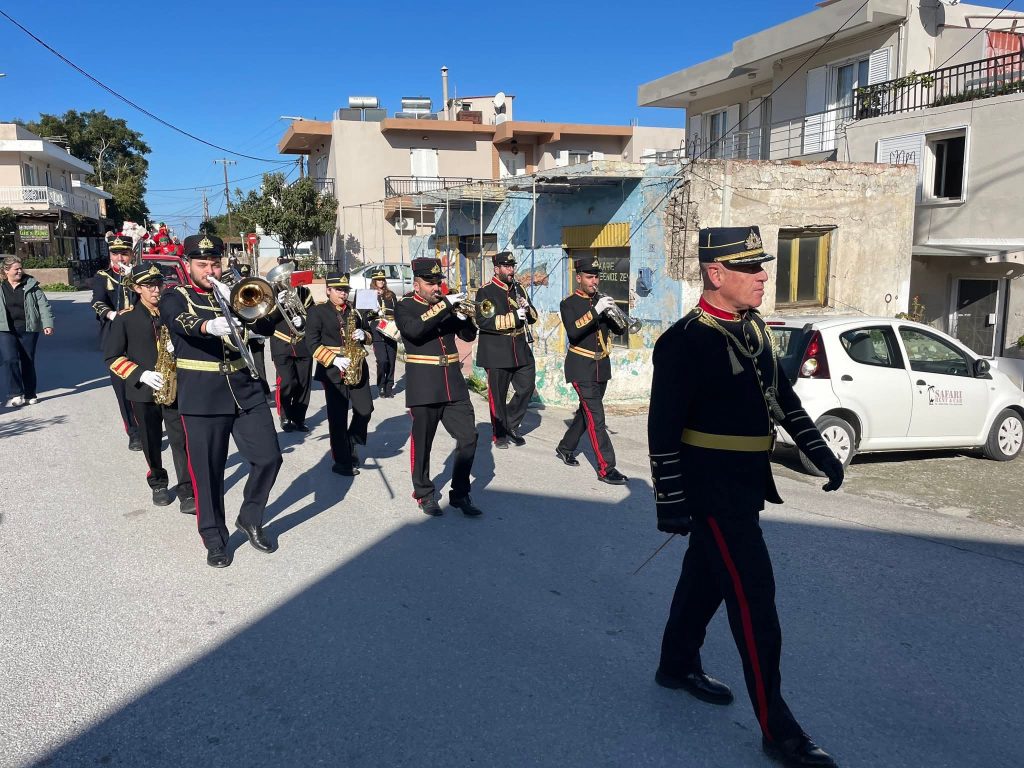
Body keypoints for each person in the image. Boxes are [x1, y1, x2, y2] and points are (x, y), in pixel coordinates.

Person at [648, 226, 844, 768]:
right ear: (716, 273)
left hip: (746, 481)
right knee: (755, 600)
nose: (763, 277)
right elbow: (662, 428)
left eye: (763, 266)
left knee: (706, 577)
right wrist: (671, 501)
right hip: (710, 488)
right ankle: (778, 731)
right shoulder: (684, 341)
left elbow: (782, 396)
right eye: (751, 268)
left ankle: (676, 664)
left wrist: (819, 451)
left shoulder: (753, 327)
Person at [160, 234, 282, 568]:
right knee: (208, 473)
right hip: (202, 395)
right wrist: (208, 326)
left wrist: (270, 312)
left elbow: (265, 325)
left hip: (244, 388)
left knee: (269, 458)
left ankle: (250, 517)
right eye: (202, 265)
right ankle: (214, 538)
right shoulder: (175, 295)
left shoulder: (231, 292)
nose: (210, 271)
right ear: (188, 265)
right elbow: (178, 321)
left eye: (214, 264)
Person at [103, 264, 194, 513]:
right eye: (150, 286)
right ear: (136, 288)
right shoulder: (125, 318)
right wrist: (140, 374)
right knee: (151, 441)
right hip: (143, 389)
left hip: (173, 386)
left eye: (158, 284)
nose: (156, 290)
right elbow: (112, 357)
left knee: (180, 440)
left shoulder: (171, 312)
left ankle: (187, 490)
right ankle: (158, 482)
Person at [394, 257, 481, 517]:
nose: (436, 287)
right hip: (424, 383)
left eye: (438, 282)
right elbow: (415, 331)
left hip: (453, 382)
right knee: (423, 443)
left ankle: (460, 493)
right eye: (430, 283)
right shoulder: (405, 306)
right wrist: (444, 306)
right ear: (416, 284)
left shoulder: (445, 305)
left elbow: (468, 336)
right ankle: (424, 493)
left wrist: (465, 318)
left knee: (468, 437)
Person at [554, 257, 628, 484]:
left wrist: (614, 313)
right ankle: (606, 468)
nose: (594, 281)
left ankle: (565, 447)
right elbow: (574, 332)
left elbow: (619, 329)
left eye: (596, 277)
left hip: (601, 367)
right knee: (597, 417)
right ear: (579, 278)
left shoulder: (600, 301)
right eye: (589, 277)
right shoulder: (568, 304)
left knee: (586, 414)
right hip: (580, 366)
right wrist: (596, 311)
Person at [306, 272, 374, 475]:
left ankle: (351, 439)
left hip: (357, 365)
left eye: (345, 290)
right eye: (339, 290)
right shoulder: (317, 312)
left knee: (365, 409)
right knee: (337, 417)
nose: (343, 294)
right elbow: (311, 343)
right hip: (333, 369)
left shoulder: (355, 311)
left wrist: (364, 335)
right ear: (328, 290)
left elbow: (370, 335)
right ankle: (342, 462)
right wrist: (333, 359)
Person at [474, 251, 537, 449]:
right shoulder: (486, 291)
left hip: (520, 346)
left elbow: (533, 316)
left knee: (527, 387)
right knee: (498, 395)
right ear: (497, 269)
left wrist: (527, 309)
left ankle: (510, 423)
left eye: (512, 266)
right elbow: (483, 321)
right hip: (496, 348)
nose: (511, 270)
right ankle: (499, 433)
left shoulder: (519, 288)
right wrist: (513, 318)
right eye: (507, 267)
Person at [91, 234, 141, 450]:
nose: (120, 258)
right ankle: (134, 432)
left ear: (132, 255)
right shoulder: (103, 276)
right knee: (122, 389)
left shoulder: (140, 275)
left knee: (143, 384)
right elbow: (97, 302)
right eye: (115, 253)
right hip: (115, 338)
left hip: (140, 337)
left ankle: (147, 425)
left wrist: (135, 280)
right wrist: (112, 315)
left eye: (124, 253)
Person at [0, 256, 54, 407]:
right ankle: (16, 394)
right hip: (5, 329)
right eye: (16, 269)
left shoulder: (31, 285)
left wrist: (47, 324)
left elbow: (43, 305)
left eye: (20, 268)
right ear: (6, 271)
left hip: (28, 328)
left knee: (27, 360)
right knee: (10, 359)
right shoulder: (1, 286)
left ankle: (30, 393)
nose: (20, 271)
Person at [269, 257, 315, 431]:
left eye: (290, 274)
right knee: (287, 382)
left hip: (302, 344)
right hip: (281, 343)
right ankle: (285, 416)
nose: (287, 278)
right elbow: (267, 319)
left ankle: (298, 418)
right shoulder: (271, 293)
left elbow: (312, 314)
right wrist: (278, 305)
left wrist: (303, 319)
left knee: (304, 383)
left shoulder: (304, 292)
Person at [367, 268, 399, 398]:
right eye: (378, 279)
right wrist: (373, 312)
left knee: (391, 360)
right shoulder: (369, 295)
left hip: (390, 328)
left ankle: (389, 387)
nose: (381, 281)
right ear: (374, 281)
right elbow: (365, 315)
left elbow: (397, 311)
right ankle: (381, 385)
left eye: (382, 279)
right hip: (377, 330)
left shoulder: (391, 295)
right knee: (382, 360)